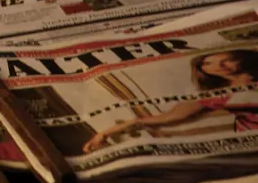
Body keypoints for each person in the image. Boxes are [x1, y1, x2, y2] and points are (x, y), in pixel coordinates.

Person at [81, 49, 258, 150]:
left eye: (227, 61)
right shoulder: (217, 96)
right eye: (208, 64)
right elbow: (165, 118)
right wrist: (107, 133)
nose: (220, 67)